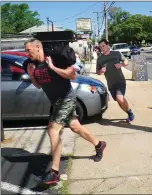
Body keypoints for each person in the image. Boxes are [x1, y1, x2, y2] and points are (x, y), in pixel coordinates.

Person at [23, 38, 106, 185]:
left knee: (52, 130)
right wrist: (31, 74)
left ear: (37, 47)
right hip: (56, 102)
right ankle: (99, 144)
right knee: (75, 127)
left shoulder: (55, 59)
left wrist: (53, 67)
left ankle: (54, 172)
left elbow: (72, 75)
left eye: (28, 50)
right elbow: (38, 86)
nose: (26, 53)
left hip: (66, 98)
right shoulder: (34, 65)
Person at [96, 39, 134, 123]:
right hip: (111, 84)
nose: (102, 48)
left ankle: (130, 112)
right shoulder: (99, 59)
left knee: (119, 98)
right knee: (119, 102)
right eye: (100, 47)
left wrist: (121, 64)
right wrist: (100, 71)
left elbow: (126, 61)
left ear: (107, 45)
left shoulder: (116, 53)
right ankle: (129, 112)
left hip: (120, 81)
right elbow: (97, 72)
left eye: (103, 46)